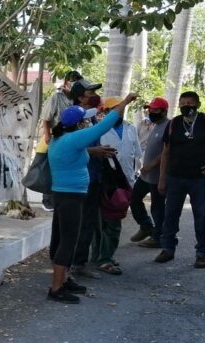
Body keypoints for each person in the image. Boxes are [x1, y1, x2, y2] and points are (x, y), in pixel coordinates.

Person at [46, 93, 138, 303]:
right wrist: (125, 102)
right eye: (85, 119)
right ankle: (56, 288)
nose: (89, 121)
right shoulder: (75, 137)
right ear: (79, 124)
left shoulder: (60, 138)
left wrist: (93, 151)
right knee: (68, 241)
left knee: (62, 238)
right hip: (71, 196)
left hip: (63, 194)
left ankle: (64, 278)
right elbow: (104, 125)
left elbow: (75, 150)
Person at [155, 91, 205, 268]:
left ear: (198, 104)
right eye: (182, 103)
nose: (186, 106)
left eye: (190, 103)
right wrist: (162, 178)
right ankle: (168, 248)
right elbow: (166, 152)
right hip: (175, 177)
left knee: (201, 216)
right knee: (170, 215)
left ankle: (203, 253)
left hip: (199, 179)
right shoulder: (174, 124)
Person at [93, 97, 142, 275]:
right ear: (106, 112)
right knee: (102, 222)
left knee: (113, 221)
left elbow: (136, 153)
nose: (118, 112)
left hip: (124, 183)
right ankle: (101, 258)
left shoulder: (130, 128)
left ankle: (104, 257)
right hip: (104, 182)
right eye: (114, 109)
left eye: (120, 109)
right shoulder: (97, 130)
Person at [67, 79, 108, 279]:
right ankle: (72, 263)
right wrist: (96, 150)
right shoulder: (72, 117)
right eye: (90, 92)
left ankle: (79, 262)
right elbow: (68, 146)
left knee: (89, 221)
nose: (93, 95)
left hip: (94, 175)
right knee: (78, 222)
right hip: (80, 178)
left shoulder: (91, 117)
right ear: (80, 97)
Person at [37, 71, 83, 211]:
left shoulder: (77, 98)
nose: (74, 85)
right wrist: (47, 135)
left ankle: (62, 198)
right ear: (66, 83)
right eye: (72, 82)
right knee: (51, 168)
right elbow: (46, 118)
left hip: (73, 138)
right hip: (57, 135)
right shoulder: (57, 97)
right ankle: (48, 200)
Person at [130, 97, 170, 248]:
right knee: (133, 199)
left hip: (158, 176)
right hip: (146, 175)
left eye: (155, 110)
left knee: (158, 208)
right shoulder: (153, 125)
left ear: (164, 111)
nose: (151, 112)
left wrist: (152, 165)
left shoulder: (169, 126)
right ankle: (146, 226)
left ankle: (158, 237)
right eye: (150, 109)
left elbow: (168, 151)